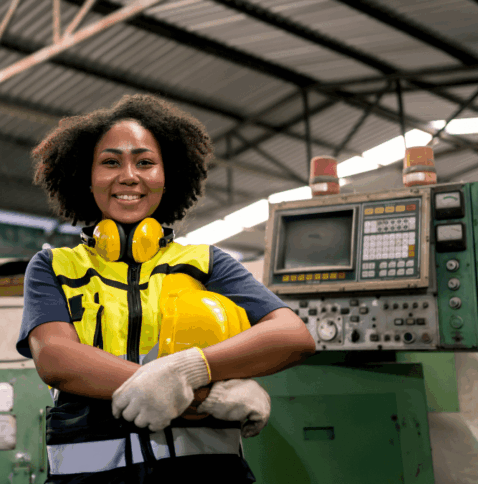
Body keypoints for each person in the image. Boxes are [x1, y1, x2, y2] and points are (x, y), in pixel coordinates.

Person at [16, 94, 316, 483]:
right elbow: (57, 358)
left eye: (145, 162)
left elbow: (292, 335)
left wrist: (189, 369)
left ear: (166, 176)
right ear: (86, 179)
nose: (128, 176)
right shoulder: (54, 266)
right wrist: (200, 396)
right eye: (110, 162)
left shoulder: (207, 262)